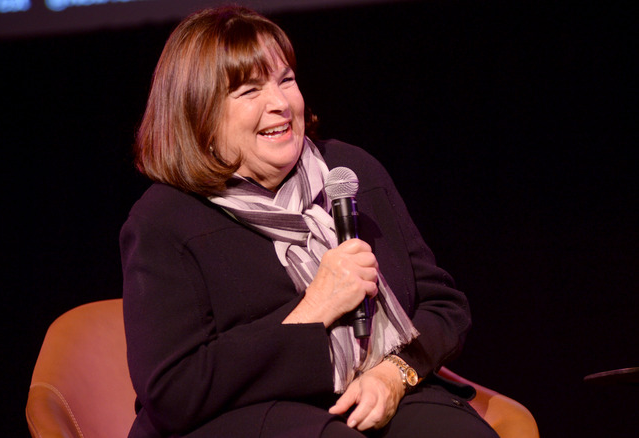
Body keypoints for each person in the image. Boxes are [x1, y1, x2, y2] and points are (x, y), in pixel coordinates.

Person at [120, 6, 498, 438]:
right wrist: (316, 308)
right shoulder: (164, 220)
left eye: (286, 81)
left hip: (374, 387)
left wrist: (393, 374)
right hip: (243, 417)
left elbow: (443, 306)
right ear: (199, 117)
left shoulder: (351, 171)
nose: (280, 104)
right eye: (249, 91)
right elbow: (174, 391)